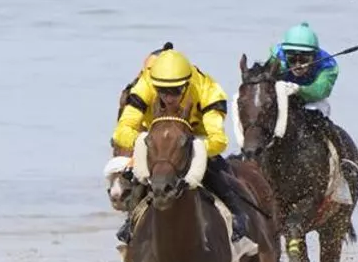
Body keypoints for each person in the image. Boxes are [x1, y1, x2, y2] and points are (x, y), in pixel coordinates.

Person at [107, 46, 257, 244]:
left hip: (196, 139)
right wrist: (149, 143)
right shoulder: (145, 84)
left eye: (176, 91)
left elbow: (218, 140)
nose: (169, 97)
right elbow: (122, 131)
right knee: (139, 175)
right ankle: (131, 221)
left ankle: (239, 215)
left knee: (215, 171)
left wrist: (188, 147)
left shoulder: (207, 90)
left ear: (187, 84)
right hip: (158, 140)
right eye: (162, 91)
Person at [272, 22, 339, 146]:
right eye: (292, 59)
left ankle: (340, 156)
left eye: (303, 60)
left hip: (312, 101)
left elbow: (320, 90)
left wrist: (299, 90)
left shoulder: (328, 65)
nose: (298, 65)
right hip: (283, 97)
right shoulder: (277, 56)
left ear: (314, 56)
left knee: (316, 120)